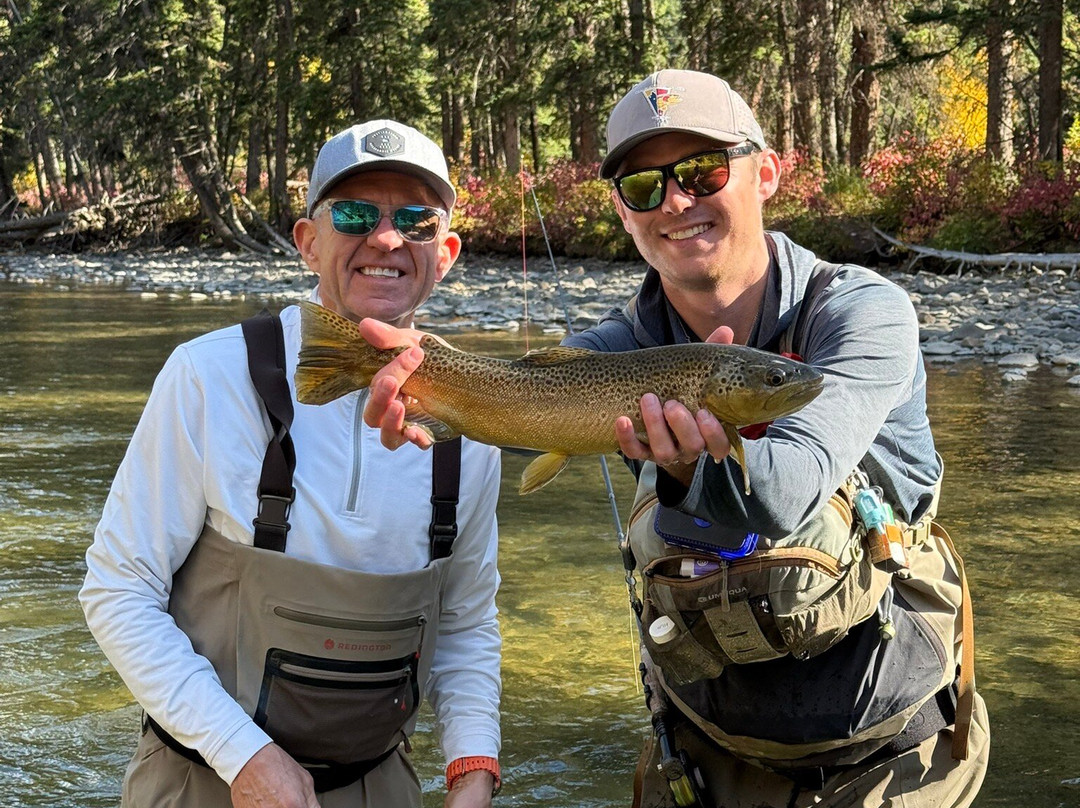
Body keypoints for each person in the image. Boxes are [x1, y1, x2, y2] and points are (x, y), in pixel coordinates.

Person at [362, 70, 989, 808]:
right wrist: (420, 384)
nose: (678, 202)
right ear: (624, 213)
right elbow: (518, 404)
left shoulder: (862, 315)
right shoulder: (622, 344)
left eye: (702, 170)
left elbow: (787, 488)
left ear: (767, 175)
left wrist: (697, 463)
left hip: (885, 763)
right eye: (644, 186)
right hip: (697, 754)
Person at [80, 119, 503, 808]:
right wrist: (242, 755)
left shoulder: (475, 419)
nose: (388, 239)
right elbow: (117, 590)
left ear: (446, 251)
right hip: (204, 779)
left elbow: (465, 620)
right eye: (356, 214)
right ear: (308, 242)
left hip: (380, 787)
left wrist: (473, 770)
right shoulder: (209, 376)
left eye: (418, 221)